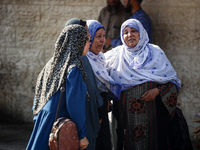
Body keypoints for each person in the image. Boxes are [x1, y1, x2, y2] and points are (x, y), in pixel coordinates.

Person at [104, 19, 182, 150]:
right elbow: (101, 77)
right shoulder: (115, 55)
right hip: (124, 120)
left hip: (153, 119)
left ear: (141, 32)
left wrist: (157, 91)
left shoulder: (155, 53)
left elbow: (173, 83)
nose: (129, 35)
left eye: (133, 31)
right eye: (125, 32)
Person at [26, 24, 90, 150]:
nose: (89, 43)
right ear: (77, 41)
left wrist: (37, 117)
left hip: (43, 120)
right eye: (87, 39)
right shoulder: (73, 68)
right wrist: (82, 135)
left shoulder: (52, 63)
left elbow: (39, 94)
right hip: (59, 126)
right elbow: (75, 105)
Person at [65, 18, 105, 150]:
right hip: (81, 123)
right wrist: (82, 134)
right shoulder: (79, 62)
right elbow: (76, 101)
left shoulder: (58, 60)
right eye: (86, 32)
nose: (89, 36)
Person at [86, 20, 122, 150]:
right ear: (88, 38)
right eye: (98, 36)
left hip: (102, 109)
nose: (102, 40)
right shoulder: (84, 60)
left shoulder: (100, 58)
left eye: (103, 36)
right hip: (90, 111)